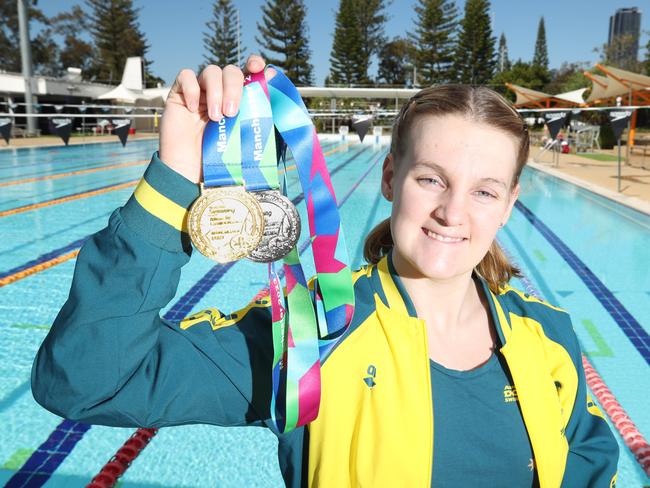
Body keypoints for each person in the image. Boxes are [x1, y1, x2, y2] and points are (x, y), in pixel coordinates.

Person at [31, 55, 618, 487]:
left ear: (510, 203)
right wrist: (176, 175)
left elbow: (593, 472)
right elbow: (86, 380)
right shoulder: (311, 332)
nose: (452, 212)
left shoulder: (549, 335)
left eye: (485, 191)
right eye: (431, 179)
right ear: (390, 179)